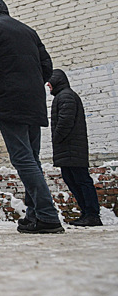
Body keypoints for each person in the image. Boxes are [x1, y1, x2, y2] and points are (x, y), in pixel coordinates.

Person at [0, 0, 62, 234]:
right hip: (33, 101)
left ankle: (48, 215)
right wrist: (31, 89)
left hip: (7, 100)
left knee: (22, 159)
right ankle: (34, 216)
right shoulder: (27, 30)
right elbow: (47, 68)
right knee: (32, 158)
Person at [48, 69, 101, 227]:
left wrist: (56, 138)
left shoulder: (66, 96)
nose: (48, 85)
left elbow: (65, 121)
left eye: (50, 82)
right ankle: (86, 213)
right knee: (72, 180)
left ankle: (92, 214)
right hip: (68, 149)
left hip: (71, 148)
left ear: (57, 80)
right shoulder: (63, 95)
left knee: (82, 180)